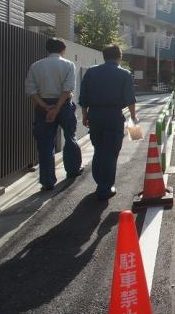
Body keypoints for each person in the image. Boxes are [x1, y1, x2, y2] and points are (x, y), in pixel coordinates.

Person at [79, 44, 137, 200]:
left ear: (104, 56)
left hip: (95, 115)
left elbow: (83, 96)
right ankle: (105, 187)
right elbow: (130, 99)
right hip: (113, 116)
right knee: (111, 151)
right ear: (120, 57)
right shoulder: (124, 74)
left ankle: (100, 182)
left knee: (98, 149)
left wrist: (85, 116)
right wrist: (133, 116)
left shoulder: (91, 72)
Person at [25, 37, 83, 191]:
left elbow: (30, 90)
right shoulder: (68, 64)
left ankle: (47, 181)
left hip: (43, 106)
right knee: (70, 137)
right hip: (63, 105)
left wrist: (46, 107)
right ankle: (72, 170)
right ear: (62, 49)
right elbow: (68, 88)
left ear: (48, 49)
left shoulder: (36, 66)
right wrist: (57, 107)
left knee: (45, 143)